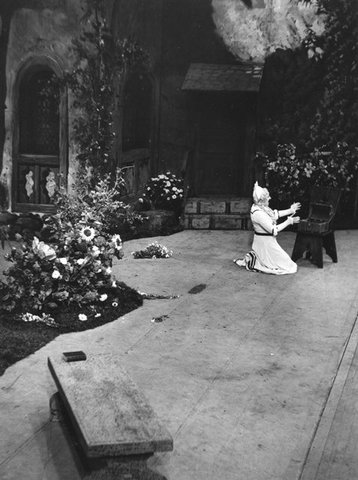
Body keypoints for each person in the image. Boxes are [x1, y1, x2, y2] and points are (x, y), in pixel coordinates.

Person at [234, 182, 301, 275]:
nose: (269, 198)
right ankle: (256, 259)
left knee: (289, 264)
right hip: (264, 244)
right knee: (287, 266)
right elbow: (273, 230)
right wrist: (289, 222)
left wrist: (291, 210)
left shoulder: (262, 207)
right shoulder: (258, 213)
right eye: (267, 197)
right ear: (262, 200)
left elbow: (274, 214)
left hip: (269, 241)